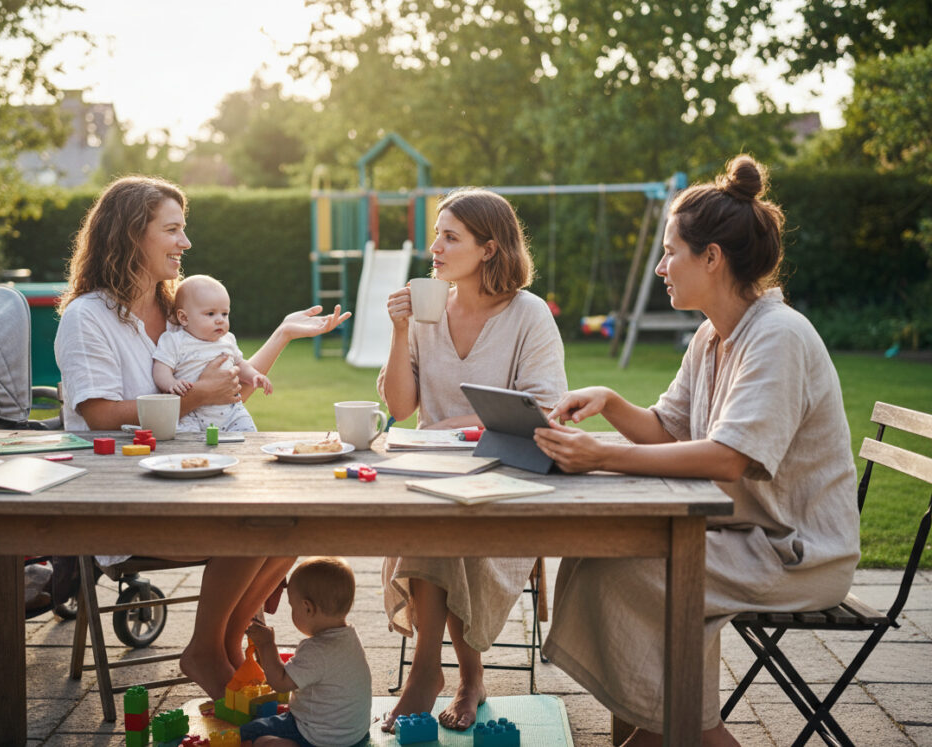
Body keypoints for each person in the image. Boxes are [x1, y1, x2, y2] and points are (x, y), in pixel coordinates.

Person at [533, 155, 860, 746]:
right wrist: (608, 401)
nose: (661, 267)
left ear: (711, 258)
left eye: (670, 252)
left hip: (795, 553)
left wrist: (600, 456)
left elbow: (726, 458)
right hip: (742, 534)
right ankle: (662, 732)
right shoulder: (713, 334)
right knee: (602, 555)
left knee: (627, 569)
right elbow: (666, 427)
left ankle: (683, 732)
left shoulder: (778, 336)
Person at [54, 175, 351, 701]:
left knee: (292, 518)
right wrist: (194, 398)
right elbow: (99, 415)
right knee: (254, 522)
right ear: (130, 236)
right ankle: (206, 652)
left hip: (186, 479)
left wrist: (280, 334)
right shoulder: (88, 318)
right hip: (122, 490)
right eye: (172, 230)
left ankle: (228, 644)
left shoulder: (175, 311)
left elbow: (226, 392)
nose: (185, 244)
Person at [377, 187, 567, 731]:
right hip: (431, 474)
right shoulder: (427, 309)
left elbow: (544, 406)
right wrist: (399, 330)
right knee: (435, 523)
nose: (434, 246)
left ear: (488, 248)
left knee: (442, 531)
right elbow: (398, 406)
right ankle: (454, 677)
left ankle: (432, 677)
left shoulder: (528, 314)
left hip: (509, 479)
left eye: (450, 237)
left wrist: (447, 427)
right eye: (437, 234)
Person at [243, 557, 372, 747]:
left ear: (307, 607)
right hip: (355, 736)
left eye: (292, 607)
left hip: (318, 737)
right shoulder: (350, 637)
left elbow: (280, 683)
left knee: (251, 734)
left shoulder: (316, 649)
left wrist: (266, 645)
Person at [152, 274, 271, 433]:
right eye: (210, 314)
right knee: (187, 444)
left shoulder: (227, 340)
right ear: (184, 317)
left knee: (248, 437)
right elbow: (160, 369)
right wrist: (171, 383)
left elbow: (240, 364)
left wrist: (255, 375)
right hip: (191, 413)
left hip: (231, 412)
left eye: (224, 314)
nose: (220, 320)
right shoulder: (175, 341)